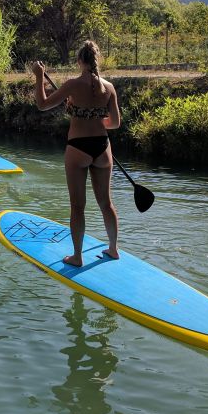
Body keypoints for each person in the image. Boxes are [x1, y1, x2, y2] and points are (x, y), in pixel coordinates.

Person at [30, 41, 121, 266]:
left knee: (77, 206)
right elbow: (115, 123)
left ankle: (78, 256)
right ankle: (113, 249)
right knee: (106, 203)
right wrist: (94, 118)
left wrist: (39, 76)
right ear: (96, 59)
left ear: (80, 60)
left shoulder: (72, 85)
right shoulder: (109, 87)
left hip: (78, 147)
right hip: (102, 146)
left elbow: (42, 105)